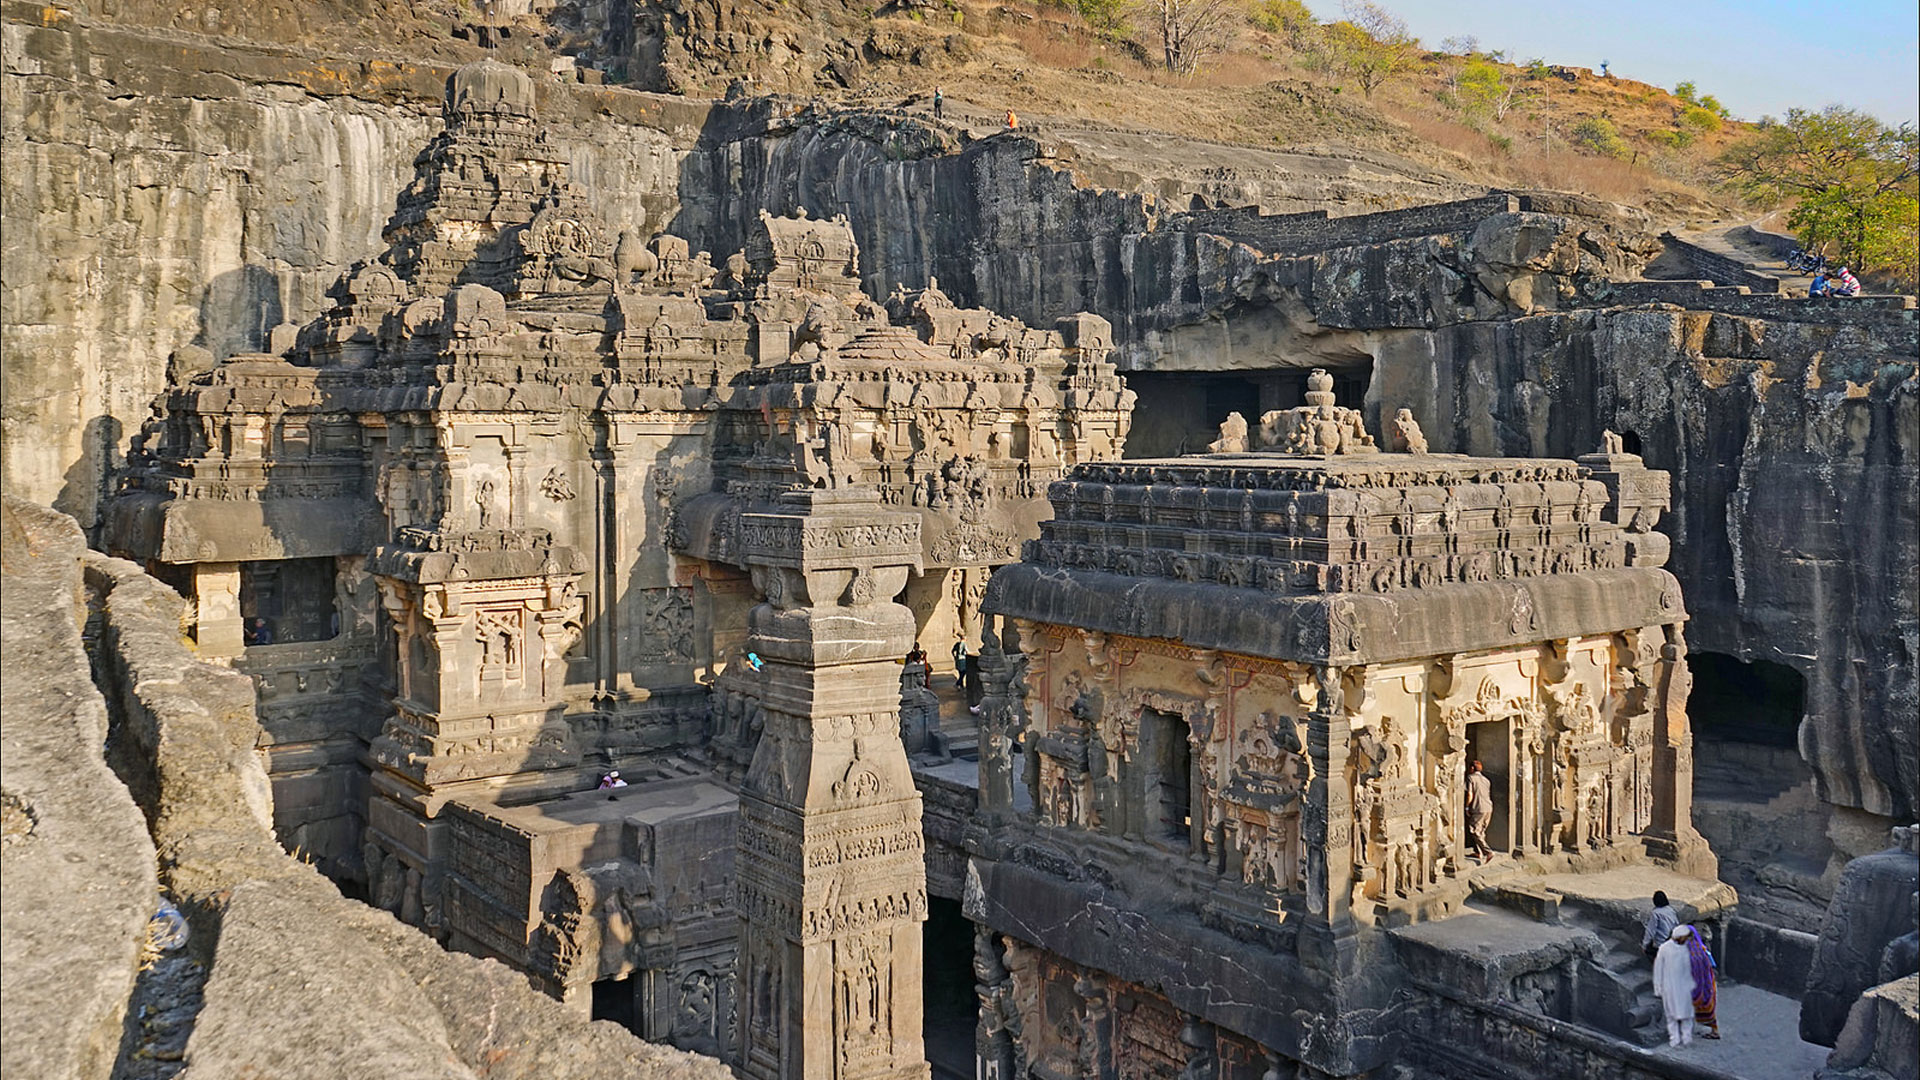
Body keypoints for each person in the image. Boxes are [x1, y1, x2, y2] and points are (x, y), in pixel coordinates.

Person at [1687, 923, 1721, 1039]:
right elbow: (1712, 964)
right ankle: (1714, 1030)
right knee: (1708, 1007)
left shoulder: (1687, 952)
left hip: (1694, 985)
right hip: (1708, 983)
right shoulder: (1702, 948)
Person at [1465, 760, 1494, 861]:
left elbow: (1470, 794)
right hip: (1488, 807)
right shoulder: (1486, 780)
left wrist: (1467, 807)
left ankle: (1487, 852)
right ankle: (1479, 853)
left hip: (1478, 807)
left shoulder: (1471, 778)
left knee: (1474, 830)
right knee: (1481, 831)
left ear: (1472, 768)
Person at [1642, 890, 1680, 959]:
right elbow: (1676, 924)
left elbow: (1650, 931)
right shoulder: (1671, 910)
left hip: (1661, 943)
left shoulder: (1655, 913)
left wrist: (1644, 945)